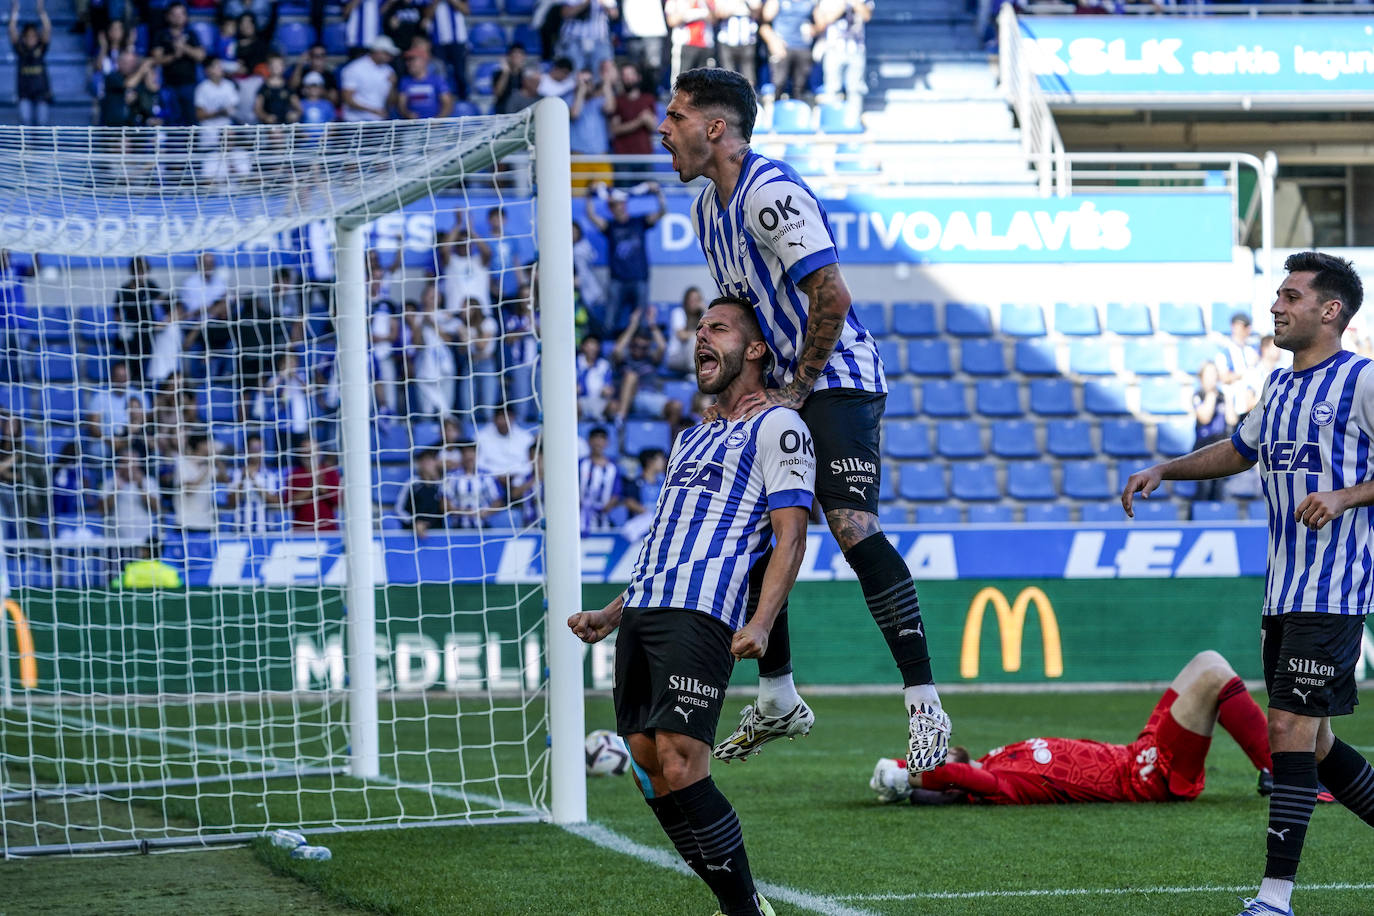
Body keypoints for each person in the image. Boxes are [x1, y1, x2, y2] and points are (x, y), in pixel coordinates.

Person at [659, 67, 950, 770]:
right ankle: (778, 698)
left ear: (715, 127)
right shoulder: (706, 213)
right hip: (782, 385)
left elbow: (833, 296)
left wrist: (795, 388)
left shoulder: (769, 193)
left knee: (851, 526)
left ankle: (925, 704)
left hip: (837, 375)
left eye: (676, 117)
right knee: (751, 526)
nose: (663, 130)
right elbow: (743, 316)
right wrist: (736, 391)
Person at [1121, 251, 1374, 916]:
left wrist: (1346, 496)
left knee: (1287, 728)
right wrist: (1165, 470)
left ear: (1330, 310)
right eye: (1277, 295)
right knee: (1316, 743)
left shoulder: (1363, 381)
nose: (1275, 307)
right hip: (1282, 593)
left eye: (1291, 296)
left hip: (1333, 590)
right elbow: (1239, 450)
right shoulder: (1281, 385)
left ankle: (1274, 898)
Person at [567, 296, 813, 916]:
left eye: (718, 328)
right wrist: (613, 613)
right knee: (649, 764)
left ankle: (743, 911)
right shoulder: (689, 437)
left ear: (754, 349)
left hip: (702, 610)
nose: (700, 337)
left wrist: (762, 622)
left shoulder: (779, 428)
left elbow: (791, 536)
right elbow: (665, 540)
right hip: (645, 609)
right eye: (699, 328)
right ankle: (741, 903)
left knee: (681, 761)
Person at [869, 650, 1275, 807]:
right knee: (1214, 678)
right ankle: (1283, 770)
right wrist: (903, 774)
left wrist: (902, 764)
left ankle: (1274, 765)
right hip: (1149, 777)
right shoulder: (996, 784)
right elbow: (952, 774)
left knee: (1207, 660)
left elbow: (950, 770)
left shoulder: (993, 760)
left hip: (1137, 753)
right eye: (939, 758)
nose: (943, 751)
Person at [582, 180, 666, 337]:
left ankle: (640, 348)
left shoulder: (639, 222)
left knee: (641, 321)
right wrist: (589, 195)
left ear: (625, 205)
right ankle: (606, 346)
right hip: (617, 280)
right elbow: (591, 215)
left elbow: (662, 212)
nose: (619, 207)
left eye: (621, 203)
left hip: (640, 278)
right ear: (611, 209)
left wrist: (658, 192)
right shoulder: (610, 226)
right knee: (609, 321)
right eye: (614, 205)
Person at [151, 3, 206, 126]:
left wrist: (184, 48)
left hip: (190, 85)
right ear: (167, 16)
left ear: (186, 16)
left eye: (181, 14)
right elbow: (156, 59)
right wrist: (174, 55)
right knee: (171, 121)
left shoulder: (192, 34)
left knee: (191, 121)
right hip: (168, 86)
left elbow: (201, 56)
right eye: (174, 14)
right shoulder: (161, 35)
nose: (178, 17)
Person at [1190, 361, 1234, 504]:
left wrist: (1228, 397)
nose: (1212, 377)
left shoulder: (1223, 396)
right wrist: (1211, 394)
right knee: (1204, 489)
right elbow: (1205, 417)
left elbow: (1232, 420)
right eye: (1208, 374)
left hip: (1221, 448)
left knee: (1218, 490)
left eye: (1214, 373)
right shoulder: (1199, 395)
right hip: (1203, 449)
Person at [9, 0, 52, 127]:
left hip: (41, 94)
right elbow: (12, 30)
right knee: (25, 121)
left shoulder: (41, 48)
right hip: (24, 95)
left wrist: (41, 11)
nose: (31, 38)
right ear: (23, 37)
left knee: (42, 124)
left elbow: (47, 29)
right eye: (28, 36)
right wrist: (15, 10)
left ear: (37, 37)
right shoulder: (20, 50)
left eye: (33, 36)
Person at [761, 0, 813, 101]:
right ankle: (776, 108)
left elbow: (821, 20)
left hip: (803, 46)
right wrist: (773, 41)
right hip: (782, 46)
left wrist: (814, 29)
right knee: (779, 84)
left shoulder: (810, 2)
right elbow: (764, 22)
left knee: (800, 87)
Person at [287, 435, 341, 531]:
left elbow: (339, 501)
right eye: (305, 451)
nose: (309, 454)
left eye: (312, 451)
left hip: (328, 531)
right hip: (302, 531)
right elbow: (289, 501)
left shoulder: (330, 472)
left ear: (319, 452)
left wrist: (324, 490)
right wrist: (312, 489)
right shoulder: (295, 474)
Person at [340, 34, 398, 121]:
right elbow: (347, 99)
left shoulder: (389, 70)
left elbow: (391, 102)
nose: (390, 57)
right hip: (355, 121)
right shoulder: (354, 68)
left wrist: (393, 85)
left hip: (378, 121)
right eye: (387, 53)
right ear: (377, 51)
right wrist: (373, 111)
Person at [396, 448, 449, 538]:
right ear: (420, 463)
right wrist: (414, 523)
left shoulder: (441, 484)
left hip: (437, 531)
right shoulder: (412, 483)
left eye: (431, 460)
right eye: (424, 460)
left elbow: (444, 509)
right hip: (412, 531)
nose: (428, 464)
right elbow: (399, 509)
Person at [578, 426, 622, 533]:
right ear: (589, 441)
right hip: (580, 517)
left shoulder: (613, 467)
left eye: (602, 438)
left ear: (607, 442)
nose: (598, 442)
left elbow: (617, 493)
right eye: (595, 438)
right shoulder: (580, 464)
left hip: (603, 518)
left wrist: (607, 506)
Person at [397, 44, 455, 119]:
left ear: (424, 61)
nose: (408, 63)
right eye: (407, 60)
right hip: (413, 124)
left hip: (435, 124)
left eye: (412, 59)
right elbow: (401, 105)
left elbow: (448, 104)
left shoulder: (437, 80)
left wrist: (437, 120)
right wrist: (407, 114)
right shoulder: (405, 81)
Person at [429, 0, 470, 101]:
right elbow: (427, 15)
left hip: (458, 41)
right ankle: (443, 100)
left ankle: (464, 100)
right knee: (440, 74)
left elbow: (466, 10)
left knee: (460, 73)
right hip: (438, 42)